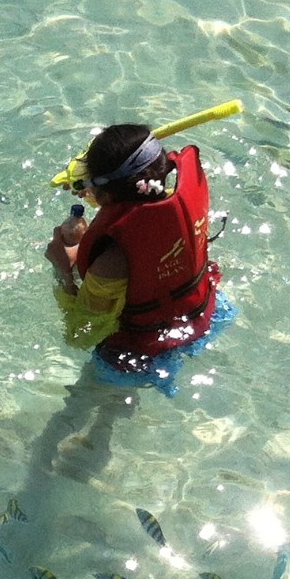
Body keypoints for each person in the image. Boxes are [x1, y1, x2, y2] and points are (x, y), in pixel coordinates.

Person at [43, 122, 225, 384]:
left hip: (140, 355)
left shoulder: (111, 262)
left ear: (103, 195)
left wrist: (63, 267)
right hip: (209, 313)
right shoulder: (175, 200)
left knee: (76, 418)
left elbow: (81, 335)